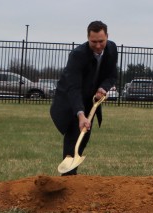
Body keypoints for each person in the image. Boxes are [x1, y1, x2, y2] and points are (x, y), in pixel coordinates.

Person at [49, 21, 118, 175]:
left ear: (107, 36)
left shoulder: (112, 49)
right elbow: (73, 88)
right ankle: (67, 179)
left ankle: (72, 175)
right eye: (94, 42)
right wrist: (80, 114)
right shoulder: (77, 55)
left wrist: (103, 88)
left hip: (90, 100)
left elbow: (112, 76)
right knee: (74, 135)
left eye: (101, 41)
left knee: (83, 138)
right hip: (70, 100)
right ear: (88, 38)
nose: (98, 46)